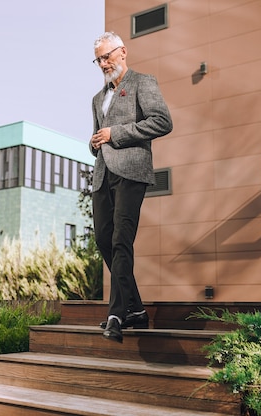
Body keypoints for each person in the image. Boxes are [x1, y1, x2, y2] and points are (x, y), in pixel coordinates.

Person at [89, 32, 172, 343]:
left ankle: (116, 314)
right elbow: (98, 136)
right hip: (102, 176)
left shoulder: (143, 82)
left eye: (107, 56)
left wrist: (115, 133)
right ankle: (136, 308)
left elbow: (162, 121)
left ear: (122, 52)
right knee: (103, 240)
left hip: (131, 172)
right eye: (98, 59)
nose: (102, 63)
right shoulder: (97, 99)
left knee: (122, 239)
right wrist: (95, 140)